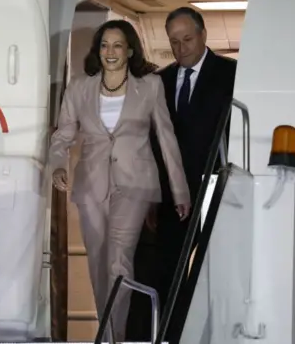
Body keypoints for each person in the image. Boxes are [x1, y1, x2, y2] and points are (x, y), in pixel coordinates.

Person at [48, 19, 191, 342]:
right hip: (91, 184)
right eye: (104, 45)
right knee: (99, 264)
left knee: (118, 260)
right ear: (98, 51)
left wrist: (180, 191)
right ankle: (109, 331)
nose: (110, 52)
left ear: (129, 51)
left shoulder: (150, 85)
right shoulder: (80, 87)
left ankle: (115, 338)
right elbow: (63, 135)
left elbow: (167, 140)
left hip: (136, 183)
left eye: (117, 45)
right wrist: (58, 165)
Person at [152, 7, 238, 340]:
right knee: (167, 274)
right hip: (171, 196)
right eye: (174, 41)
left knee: (211, 271)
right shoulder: (160, 81)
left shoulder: (232, 74)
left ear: (203, 35)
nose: (181, 47)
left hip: (216, 192)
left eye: (187, 39)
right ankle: (169, 335)